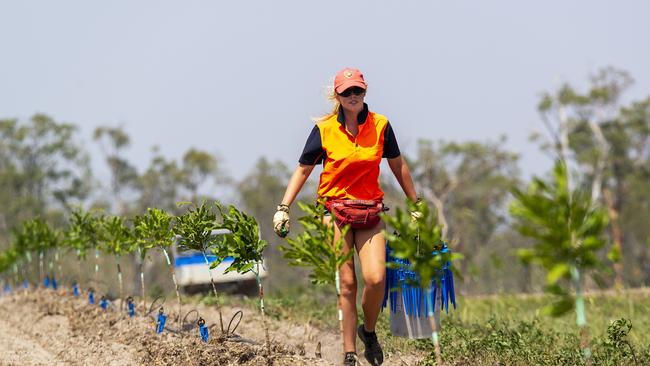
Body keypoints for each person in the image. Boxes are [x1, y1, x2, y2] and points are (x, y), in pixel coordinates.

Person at [273, 67, 419, 366]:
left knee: (376, 278)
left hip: (369, 210)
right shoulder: (325, 129)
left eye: (358, 91)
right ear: (337, 96)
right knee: (348, 282)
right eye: (347, 92)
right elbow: (303, 170)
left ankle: (369, 331)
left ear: (365, 92)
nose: (353, 96)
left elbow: (397, 165)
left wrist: (416, 203)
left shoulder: (380, 125)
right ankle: (350, 352)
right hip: (334, 211)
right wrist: (283, 207)